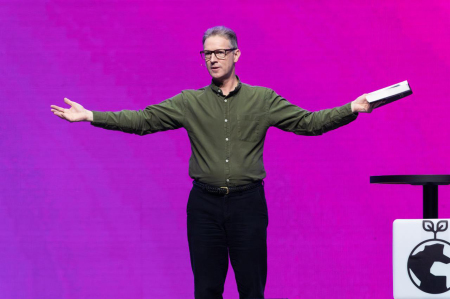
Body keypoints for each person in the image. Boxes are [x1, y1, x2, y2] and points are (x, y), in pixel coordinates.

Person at [51, 26, 372, 299]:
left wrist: (351, 109)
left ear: (236, 55)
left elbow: (309, 123)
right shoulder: (189, 101)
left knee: (251, 288)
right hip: (204, 205)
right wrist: (90, 116)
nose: (213, 59)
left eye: (220, 52)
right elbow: (143, 120)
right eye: (207, 54)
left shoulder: (263, 99)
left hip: (248, 205)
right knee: (206, 289)